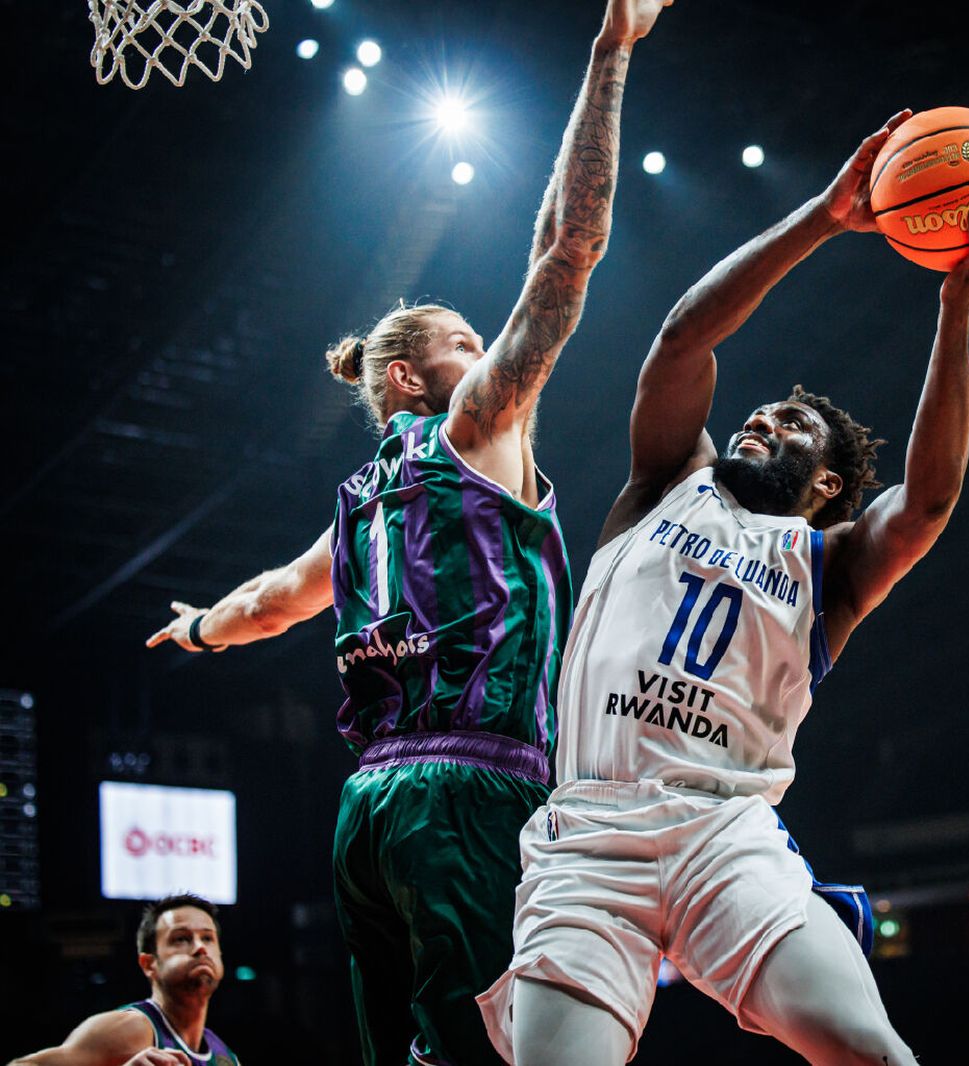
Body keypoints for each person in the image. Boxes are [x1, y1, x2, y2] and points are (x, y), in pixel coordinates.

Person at [142, 3, 674, 1061]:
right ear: (408, 376)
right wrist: (610, 51)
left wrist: (198, 629)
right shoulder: (477, 428)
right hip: (470, 787)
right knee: (499, 1047)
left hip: (368, 812)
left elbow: (263, 607)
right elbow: (566, 250)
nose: (488, 354)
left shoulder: (350, 511)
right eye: (467, 341)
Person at [476, 113, 969, 1064]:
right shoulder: (667, 481)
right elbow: (683, 339)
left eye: (792, 425)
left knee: (872, 1051)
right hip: (588, 836)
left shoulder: (832, 567)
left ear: (827, 485)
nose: (764, 418)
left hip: (724, 837)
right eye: (764, 410)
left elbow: (931, 500)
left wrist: (957, 308)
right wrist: (826, 216)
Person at [11, 894, 239, 1066]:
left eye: (207, 938)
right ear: (149, 964)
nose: (200, 947)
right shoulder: (131, 1029)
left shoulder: (225, 1057)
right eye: (181, 939)